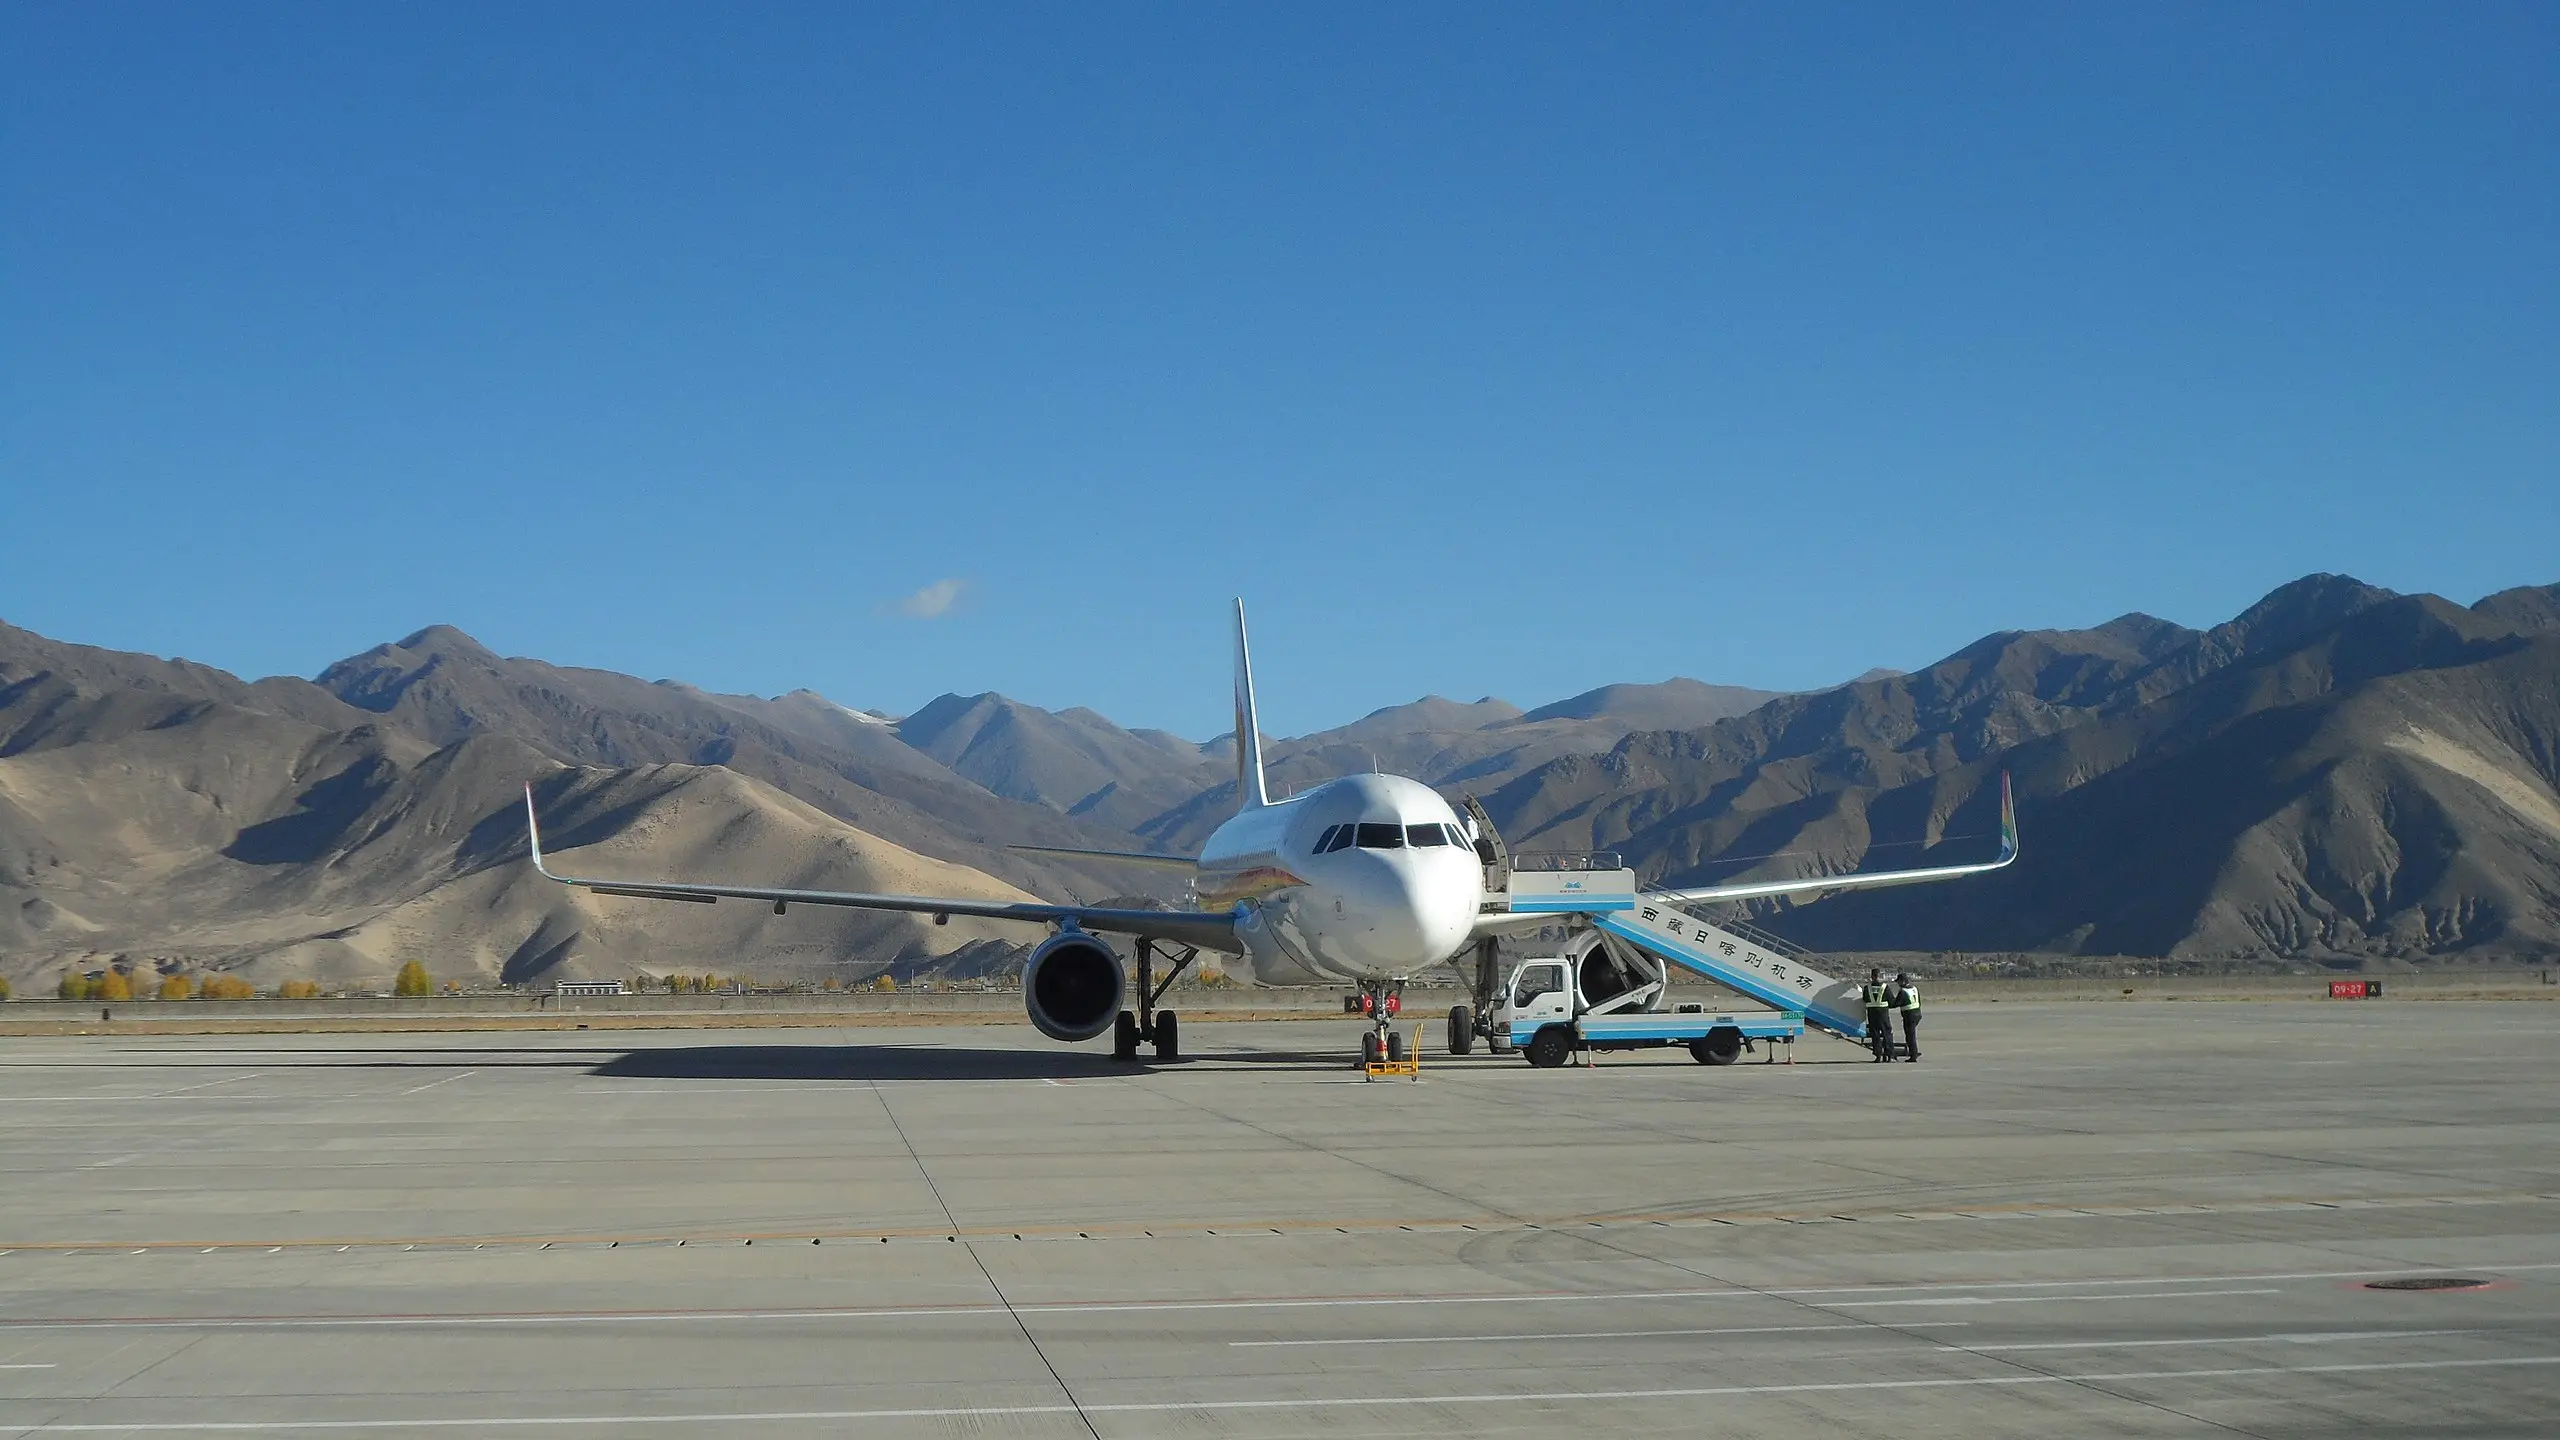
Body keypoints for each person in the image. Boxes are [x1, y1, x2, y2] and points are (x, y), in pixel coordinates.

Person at [1861, 969, 1893, 1062]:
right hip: (1883, 1013)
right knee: (1886, 1033)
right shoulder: (1885, 987)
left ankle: (1878, 1055)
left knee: (1875, 1035)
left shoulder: (1867, 988)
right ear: (1880, 976)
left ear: (1871, 976)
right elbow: (1891, 1000)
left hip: (1872, 1013)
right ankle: (1889, 1054)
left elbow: (1865, 999)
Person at [1891, 972, 1922, 1061]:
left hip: (1909, 1015)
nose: (1898, 984)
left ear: (1903, 981)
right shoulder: (1914, 989)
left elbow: (1895, 1003)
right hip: (1917, 1013)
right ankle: (1913, 1052)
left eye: (1899, 982)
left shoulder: (1903, 991)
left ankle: (1913, 1055)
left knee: (1910, 1036)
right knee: (1911, 1034)